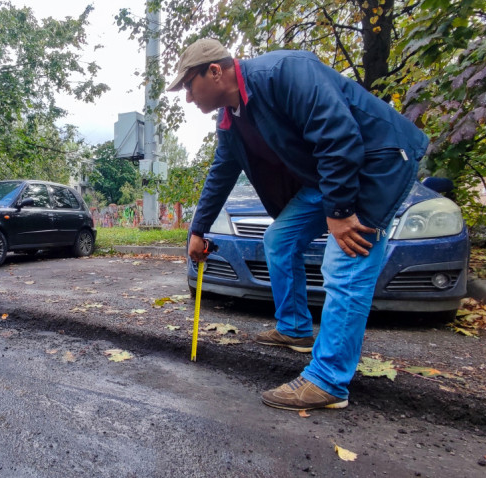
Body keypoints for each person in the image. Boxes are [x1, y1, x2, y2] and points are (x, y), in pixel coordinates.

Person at [168, 39, 429, 411]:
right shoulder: (231, 120)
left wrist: (339, 213)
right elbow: (220, 173)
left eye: (188, 86)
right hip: (329, 175)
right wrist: (198, 230)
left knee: (346, 261)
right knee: (279, 238)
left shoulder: (285, 72)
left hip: (375, 162)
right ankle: (294, 328)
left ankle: (328, 381)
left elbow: (339, 134)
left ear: (214, 71)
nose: (188, 98)